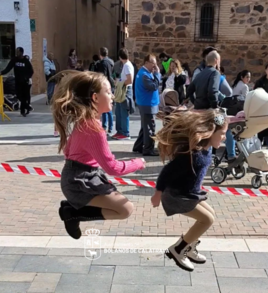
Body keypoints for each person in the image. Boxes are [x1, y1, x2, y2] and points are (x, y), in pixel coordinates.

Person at [52, 71, 145, 240]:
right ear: (95, 98)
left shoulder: (85, 121)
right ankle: (72, 212)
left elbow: (69, 151)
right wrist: (138, 162)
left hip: (80, 176)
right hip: (79, 181)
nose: (112, 96)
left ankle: (72, 211)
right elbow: (112, 167)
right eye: (108, 92)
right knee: (126, 209)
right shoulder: (93, 128)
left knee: (124, 208)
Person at [151, 108, 228, 272]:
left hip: (189, 193)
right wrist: (157, 193)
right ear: (211, 132)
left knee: (211, 215)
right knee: (206, 220)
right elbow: (167, 171)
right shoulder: (192, 153)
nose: (224, 138)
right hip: (177, 196)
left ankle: (189, 247)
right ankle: (178, 250)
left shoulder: (205, 148)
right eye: (222, 134)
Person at [133, 54, 161, 156]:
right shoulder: (144, 74)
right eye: (152, 62)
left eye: (155, 62)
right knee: (150, 127)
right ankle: (148, 149)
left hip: (146, 104)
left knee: (145, 127)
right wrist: (157, 74)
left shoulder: (145, 73)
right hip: (147, 105)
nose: (155, 65)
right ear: (146, 63)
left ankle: (138, 146)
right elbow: (153, 87)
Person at [0, 47, 34, 117]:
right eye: (16, 51)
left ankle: (23, 111)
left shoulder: (26, 61)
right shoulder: (14, 60)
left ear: (21, 52)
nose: (16, 53)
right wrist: (2, 73)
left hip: (25, 82)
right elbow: (8, 68)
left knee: (25, 96)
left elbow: (31, 71)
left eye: (18, 52)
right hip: (18, 81)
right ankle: (27, 106)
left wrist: (27, 77)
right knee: (18, 95)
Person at [112, 48, 135, 140]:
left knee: (123, 112)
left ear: (120, 57)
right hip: (123, 89)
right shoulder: (127, 65)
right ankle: (120, 131)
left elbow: (129, 80)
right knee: (118, 112)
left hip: (125, 90)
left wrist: (119, 82)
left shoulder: (127, 66)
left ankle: (125, 133)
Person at [96, 47, 115, 134]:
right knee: (109, 105)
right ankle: (109, 126)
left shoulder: (102, 63)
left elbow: (103, 75)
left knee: (104, 106)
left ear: (100, 54)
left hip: (105, 85)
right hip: (111, 84)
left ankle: (105, 125)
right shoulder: (111, 62)